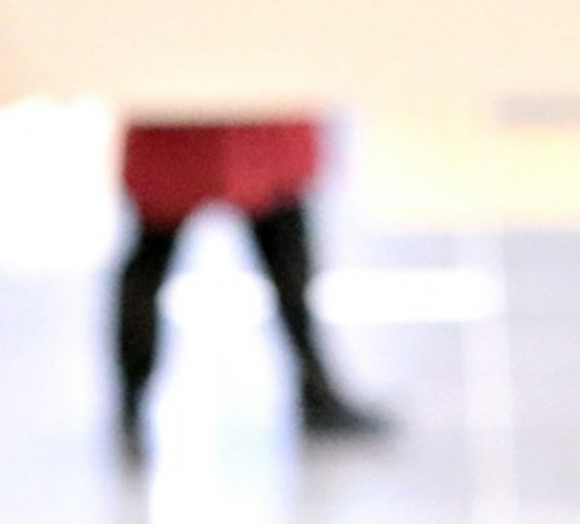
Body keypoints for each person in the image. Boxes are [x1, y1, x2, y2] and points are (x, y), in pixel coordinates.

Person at [112, 116, 391, 464]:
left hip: (259, 113)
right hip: (180, 112)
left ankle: (316, 391)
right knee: (153, 251)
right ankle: (130, 402)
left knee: (287, 249)